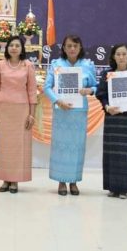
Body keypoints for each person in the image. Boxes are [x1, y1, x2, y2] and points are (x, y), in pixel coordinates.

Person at [44, 34, 97, 196]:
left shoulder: (88, 65)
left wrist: (90, 90)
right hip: (62, 112)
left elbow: (96, 85)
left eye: (75, 45)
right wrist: (57, 101)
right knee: (61, 147)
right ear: (64, 48)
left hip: (79, 113)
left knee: (76, 147)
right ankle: (61, 181)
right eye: (69, 46)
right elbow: (47, 87)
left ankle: (73, 181)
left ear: (80, 47)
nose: (72, 49)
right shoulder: (56, 65)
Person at [0, 36, 37, 194]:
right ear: (7, 48)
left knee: (18, 147)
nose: (14, 48)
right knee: (4, 146)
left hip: (22, 111)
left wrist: (32, 115)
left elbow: (32, 92)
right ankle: (5, 179)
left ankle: (15, 180)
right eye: (11, 45)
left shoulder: (28, 65)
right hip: (3, 110)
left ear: (22, 48)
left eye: (17, 45)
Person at [96, 43, 127, 199]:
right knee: (111, 154)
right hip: (112, 119)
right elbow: (101, 94)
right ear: (113, 57)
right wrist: (107, 107)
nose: (121, 57)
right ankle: (112, 187)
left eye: (124, 54)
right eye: (118, 54)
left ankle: (123, 189)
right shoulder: (107, 74)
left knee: (126, 155)